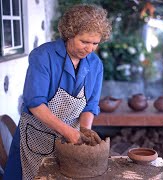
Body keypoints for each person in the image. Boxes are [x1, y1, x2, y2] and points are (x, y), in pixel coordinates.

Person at [4, 4, 111, 180]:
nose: (90, 49)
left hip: (72, 140)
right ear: (69, 34)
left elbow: (90, 105)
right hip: (37, 136)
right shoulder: (43, 56)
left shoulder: (95, 65)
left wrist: (84, 131)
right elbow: (35, 104)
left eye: (95, 43)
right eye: (84, 41)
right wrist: (68, 132)